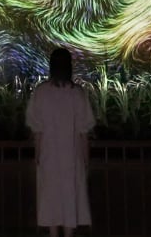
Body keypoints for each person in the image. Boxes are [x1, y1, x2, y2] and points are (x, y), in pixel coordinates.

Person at [25, 47, 96, 237]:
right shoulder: (77, 94)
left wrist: (37, 157)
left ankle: (53, 233)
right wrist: (86, 160)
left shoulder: (41, 92)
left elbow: (37, 131)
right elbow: (83, 132)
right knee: (70, 198)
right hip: (72, 157)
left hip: (49, 157)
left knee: (51, 200)